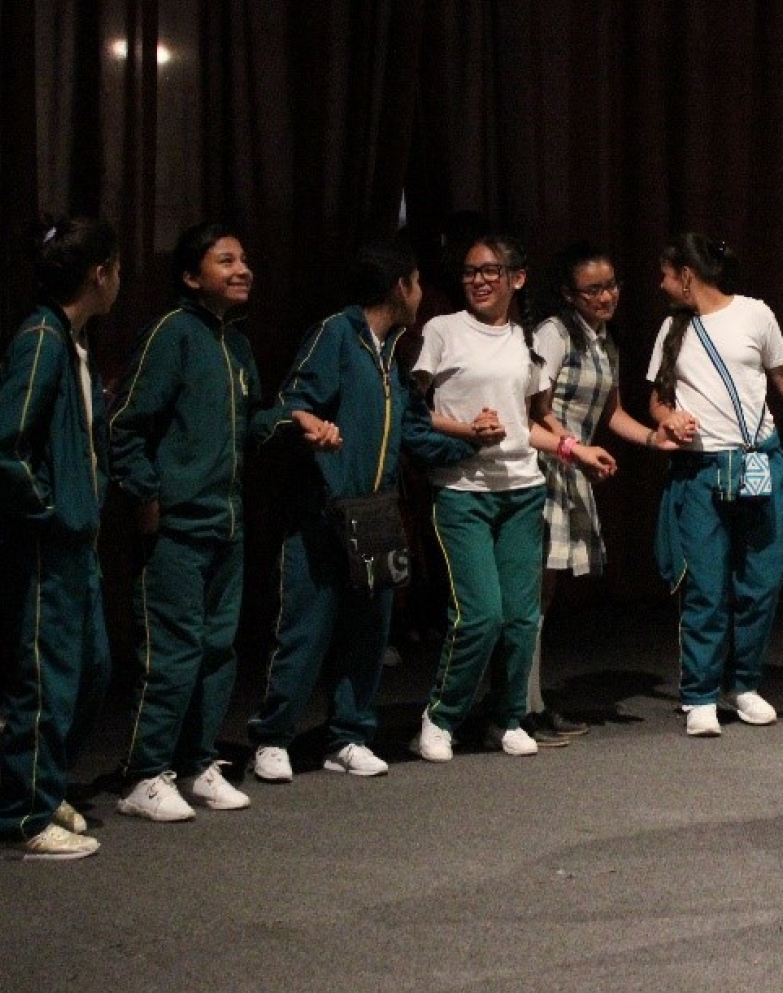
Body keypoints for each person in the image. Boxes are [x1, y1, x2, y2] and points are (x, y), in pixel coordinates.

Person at [108, 223, 333, 822]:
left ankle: (196, 762)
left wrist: (293, 422)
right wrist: (146, 496)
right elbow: (125, 425)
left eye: (245, 259)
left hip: (225, 522)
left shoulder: (235, 343)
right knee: (172, 652)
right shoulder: (171, 334)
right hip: (176, 526)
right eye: (226, 260)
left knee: (216, 651)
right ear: (190, 276)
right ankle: (144, 774)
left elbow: (250, 422)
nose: (242, 270)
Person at [247, 240, 475, 783]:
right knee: (306, 628)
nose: (421, 296)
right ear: (401, 286)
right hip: (323, 509)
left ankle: (348, 736)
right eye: (417, 284)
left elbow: (411, 428)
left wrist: (470, 444)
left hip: (376, 512)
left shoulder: (390, 352)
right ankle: (273, 738)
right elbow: (293, 404)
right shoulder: (336, 335)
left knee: (370, 631)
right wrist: (306, 427)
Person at [410, 235, 616, 761]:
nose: (479, 280)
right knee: (480, 615)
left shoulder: (525, 342)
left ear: (516, 279)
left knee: (523, 617)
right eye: (470, 272)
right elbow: (413, 410)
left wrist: (575, 450)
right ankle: (440, 717)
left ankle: (506, 717)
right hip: (463, 491)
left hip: (522, 490)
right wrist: (465, 429)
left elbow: (529, 424)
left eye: (490, 271)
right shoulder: (443, 331)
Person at [647, 232, 783, 737]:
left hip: (759, 464)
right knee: (706, 586)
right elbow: (658, 399)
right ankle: (700, 694)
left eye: (666, 274)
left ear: (687, 275)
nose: (661, 284)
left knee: (760, 581)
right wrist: (670, 420)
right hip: (701, 472)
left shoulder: (755, 314)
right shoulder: (672, 328)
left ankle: (744, 684)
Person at [0, 218, 123, 859]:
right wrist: (48, 511)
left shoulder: (69, 340)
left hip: (76, 539)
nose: (119, 280)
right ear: (99, 274)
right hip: (48, 542)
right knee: (46, 676)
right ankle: (23, 815)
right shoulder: (42, 338)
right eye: (116, 268)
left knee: (91, 670)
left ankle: (45, 783)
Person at [525, 242, 660, 743]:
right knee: (530, 595)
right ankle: (520, 707)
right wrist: (574, 448)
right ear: (569, 294)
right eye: (594, 290)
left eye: (611, 286)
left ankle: (532, 703)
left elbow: (612, 413)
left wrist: (655, 439)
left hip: (568, 465)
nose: (606, 296)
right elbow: (533, 409)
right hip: (543, 464)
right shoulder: (555, 334)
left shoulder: (604, 340)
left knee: (542, 596)